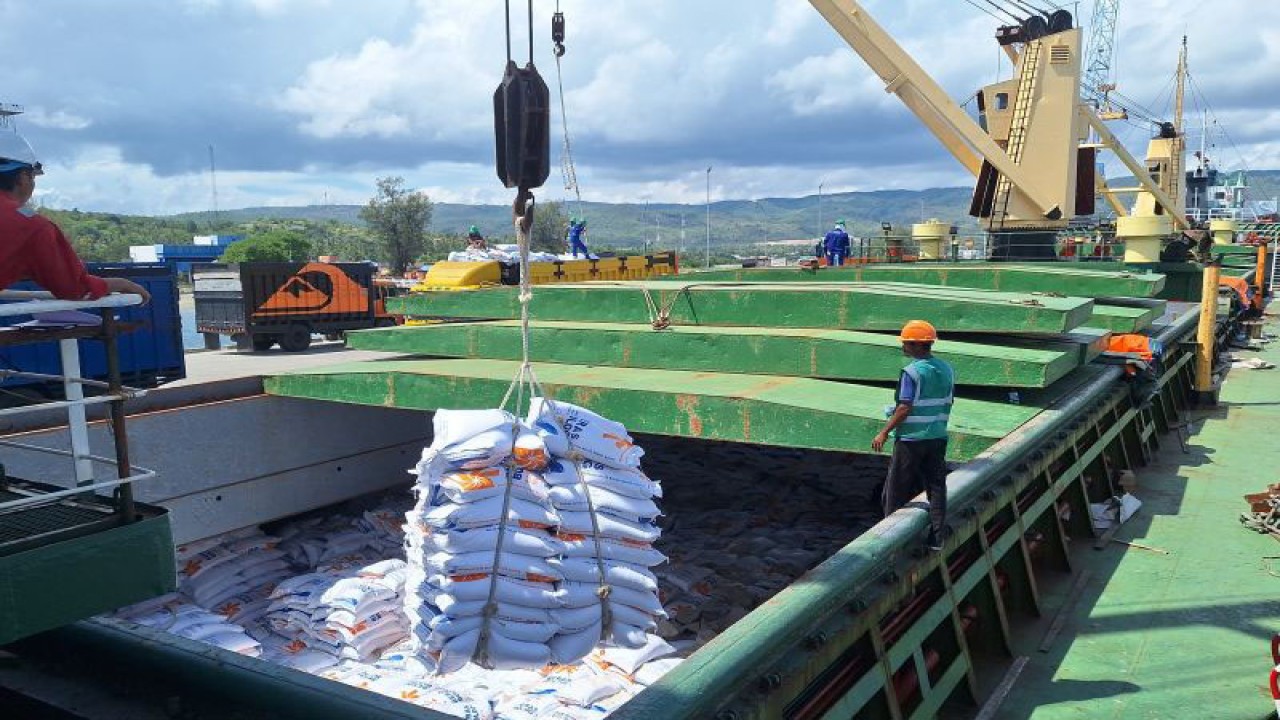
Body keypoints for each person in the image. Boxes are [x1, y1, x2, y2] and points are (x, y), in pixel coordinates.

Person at [0, 132, 150, 304]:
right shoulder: (32, 227)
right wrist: (120, 284)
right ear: (23, 177)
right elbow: (73, 288)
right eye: (33, 177)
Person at [872, 319, 954, 550]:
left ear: (918, 345)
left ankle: (890, 539)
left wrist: (884, 432)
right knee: (937, 487)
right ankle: (937, 538)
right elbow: (942, 400)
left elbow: (905, 407)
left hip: (911, 439)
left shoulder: (911, 372)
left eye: (907, 343)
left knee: (895, 489)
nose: (903, 346)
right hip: (937, 436)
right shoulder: (946, 368)